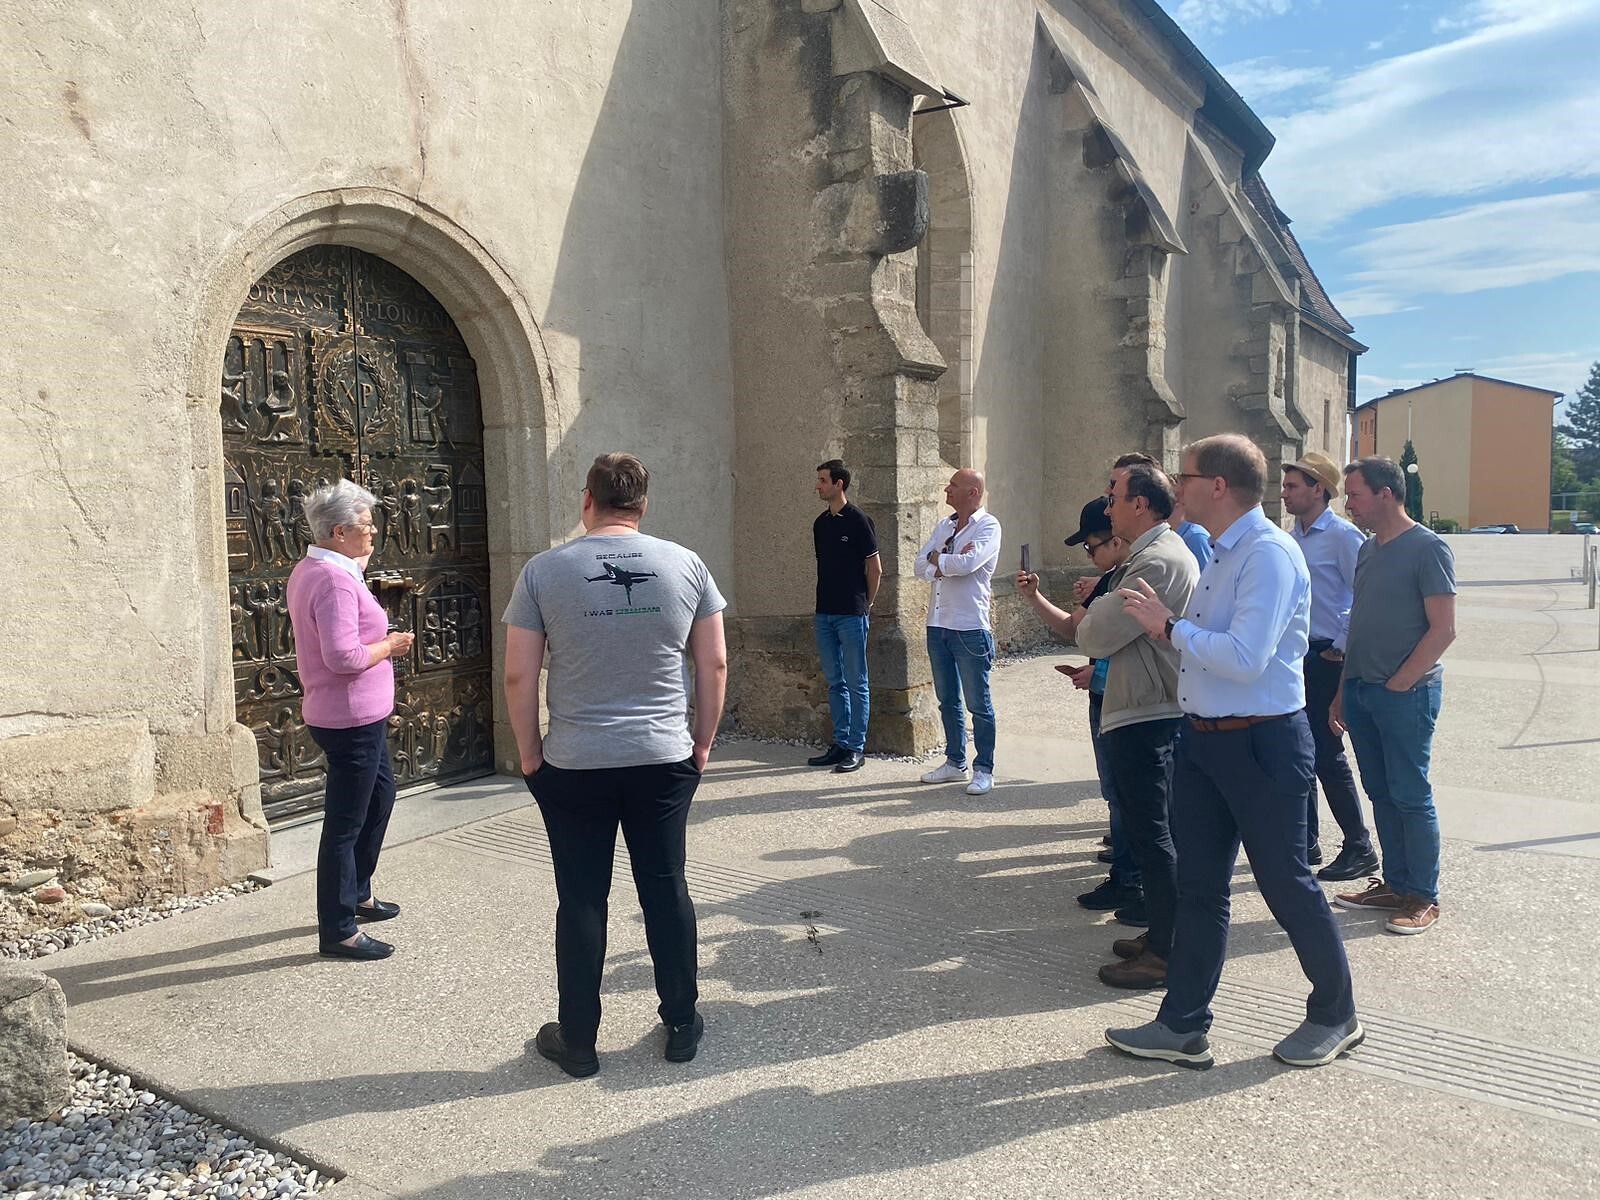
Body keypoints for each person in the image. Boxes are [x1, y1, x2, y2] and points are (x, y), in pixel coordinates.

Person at [1107, 434, 1361, 1070]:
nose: (1176, 488)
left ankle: (1335, 1014)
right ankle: (1183, 1024)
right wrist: (1167, 630)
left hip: (1262, 743)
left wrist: (1168, 626)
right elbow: (1206, 645)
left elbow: (1246, 658)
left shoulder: (1267, 554)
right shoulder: (1224, 551)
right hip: (1205, 740)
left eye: (1185, 477)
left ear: (1217, 486)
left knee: (1286, 884)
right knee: (1199, 887)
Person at [503, 452, 728, 1077]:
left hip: (575, 761)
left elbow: (519, 673)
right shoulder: (686, 565)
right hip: (662, 755)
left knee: (581, 896)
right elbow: (712, 664)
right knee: (666, 886)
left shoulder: (544, 571)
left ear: (587, 499)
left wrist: (529, 752)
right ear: (642, 505)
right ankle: (680, 1023)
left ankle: (578, 1041)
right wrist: (702, 742)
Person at [1071, 465, 1197, 988]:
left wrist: (1100, 605)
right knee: (1148, 833)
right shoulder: (1147, 556)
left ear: (1140, 504)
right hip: (1141, 706)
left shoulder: (1157, 560)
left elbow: (1094, 633)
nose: (1108, 508)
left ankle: (1168, 951)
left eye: (1114, 498)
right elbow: (1101, 623)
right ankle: (1164, 934)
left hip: (1149, 712)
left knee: (1153, 832)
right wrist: (1104, 604)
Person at [285, 480, 414, 962]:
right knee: (344, 822)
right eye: (366, 525)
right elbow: (342, 657)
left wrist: (357, 570)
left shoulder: (322, 569)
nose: (374, 532)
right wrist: (390, 646)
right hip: (350, 717)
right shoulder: (334, 581)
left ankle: (357, 891)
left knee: (381, 796)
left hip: (359, 714)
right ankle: (338, 929)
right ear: (339, 532)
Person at [1330, 457, 1456, 936]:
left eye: (1355, 494)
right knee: (1381, 792)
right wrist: (1342, 691)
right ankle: (1396, 884)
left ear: (1386, 494)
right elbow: (1359, 625)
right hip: (1361, 689)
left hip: (1405, 695)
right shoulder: (1368, 550)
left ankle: (1422, 896)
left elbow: (1443, 629)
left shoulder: (1429, 548)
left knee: (1410, 794)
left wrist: (1400, 682)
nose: (1349, 504)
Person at [1015, 497, 1140, 912]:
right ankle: (1126, 873)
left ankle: (1132, 882)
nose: (1088, 556)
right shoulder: (1109, 579)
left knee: (1128, 795)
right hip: (1105, 698)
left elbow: (1139, 645)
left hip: (1125, 700)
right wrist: (1034, 597)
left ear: (1115, 540)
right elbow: (1074, 628)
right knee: (1116, 792)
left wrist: (1099, 673)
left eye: (1090, 547)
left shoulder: (1135, 576)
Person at [1281, 451, 1377, 880]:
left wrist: (1339, 646)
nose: (1285, 493)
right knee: (1297, 750)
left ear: (1318, 489)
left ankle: (1359, 845)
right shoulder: (1293, 537)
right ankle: (1306, 840)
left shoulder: (1343, 536)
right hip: (1297, 656)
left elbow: (1364, 595)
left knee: (1326, 753)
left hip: (1326, 657)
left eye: (1293, 486)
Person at [914, 469, 1002, 795]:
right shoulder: (945, 525)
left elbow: (968, 565)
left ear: (973, 492)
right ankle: (955, 762)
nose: (947, 489)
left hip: (969, 627)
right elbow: (919, 565)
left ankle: (984, 769)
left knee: (978, 703)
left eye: (953, 485)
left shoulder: (988, 526)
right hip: (938, 624)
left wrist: (938, 559)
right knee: (947, 699)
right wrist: (942, 561)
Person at [807, 460, 881, 773]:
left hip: (852, 613)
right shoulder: (820, 524)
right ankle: (839, 743)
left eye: (823, 480)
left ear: (839, 484)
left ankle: (856, 747)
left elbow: (875, 569)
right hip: (824, 613)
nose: (818, 486)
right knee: (835, 682)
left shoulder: (860, 520)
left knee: (856, 682)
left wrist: (867, 605)